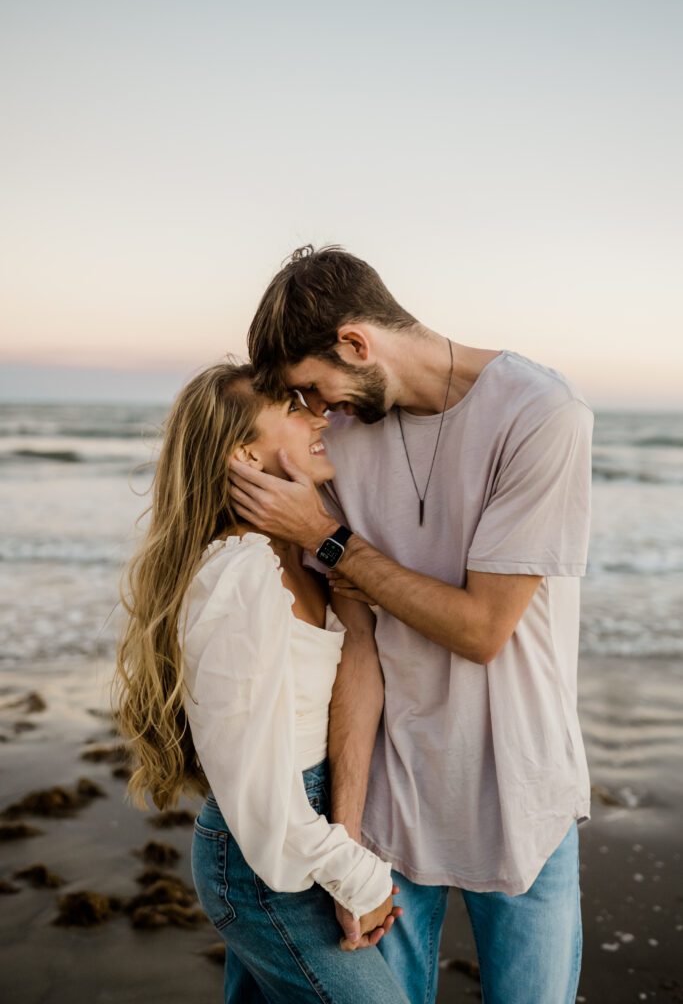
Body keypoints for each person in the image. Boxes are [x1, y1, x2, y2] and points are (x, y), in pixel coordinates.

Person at [230, 245, 594, 1004]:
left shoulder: (539, 415)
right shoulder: (344, 437)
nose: (320, 411)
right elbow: (356, 646)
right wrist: (346, 837)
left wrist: (327, 541)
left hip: (522, 789)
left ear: (356, 343)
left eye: (316, 386)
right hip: (390, 798)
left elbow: (481, 630)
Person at [114, 360, 409, 1004]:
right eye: (294, 409)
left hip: (292, 833)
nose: (319, 417)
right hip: (264, 858)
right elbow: (265, 798)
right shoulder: (240, 575)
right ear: (245, 452)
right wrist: (361, 879)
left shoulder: (290, 551)